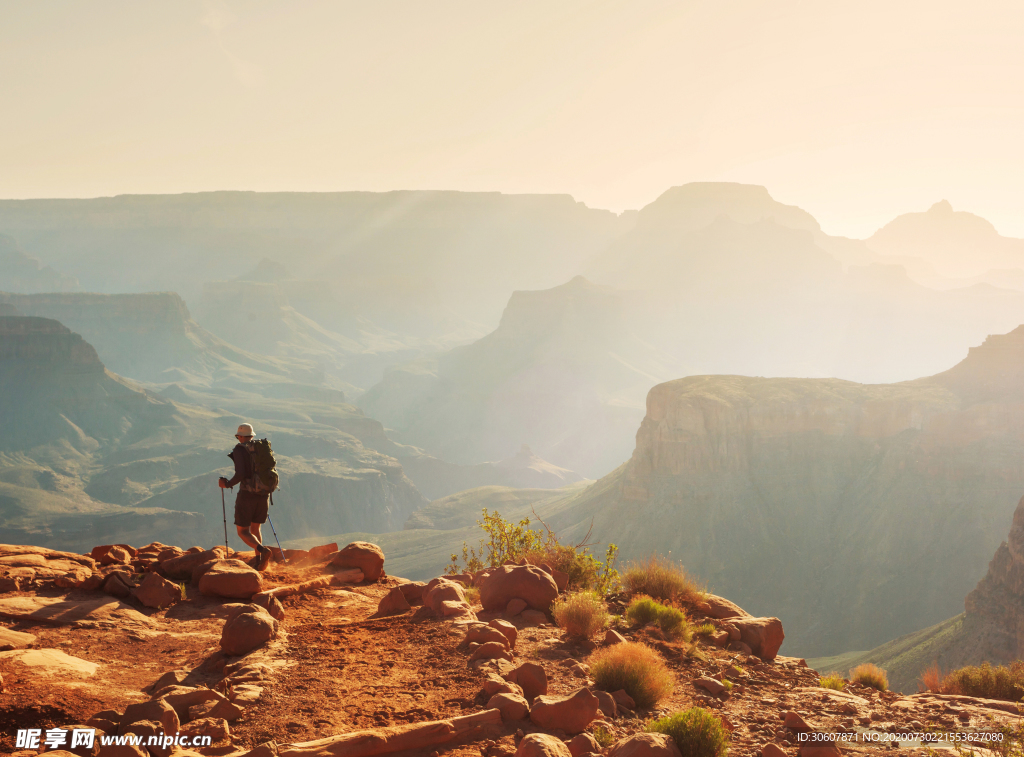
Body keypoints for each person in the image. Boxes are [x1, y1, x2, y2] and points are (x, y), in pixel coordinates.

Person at [218, 423, 272, 569]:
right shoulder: (261, 448)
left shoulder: (239, 449)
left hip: (247, 495)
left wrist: (227, 484)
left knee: (243, 532)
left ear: (240, 436)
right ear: (252, 435)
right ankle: (259, 561)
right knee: (255, 529)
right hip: (263, 494)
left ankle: (262, 551)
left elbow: (241, 474)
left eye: (238, 436)